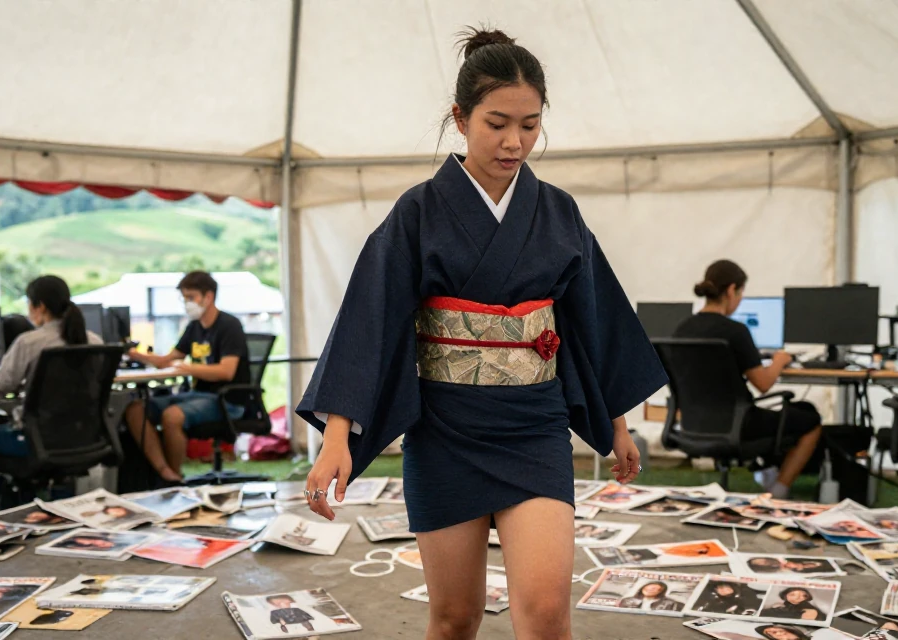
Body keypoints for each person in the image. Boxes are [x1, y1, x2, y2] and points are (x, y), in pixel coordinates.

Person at [296, 28, 665, 640]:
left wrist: (617, 425)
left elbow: (591, 321)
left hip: (534, 427)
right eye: (497, 123)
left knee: (546, 616)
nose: (515, 142)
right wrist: (338, 435)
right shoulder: (418, 211)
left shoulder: (559, 211)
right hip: (445, 430)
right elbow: (371, 318)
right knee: (454, 618)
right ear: (460, 118)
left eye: (530, 124)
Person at [673, 260, 822, 499]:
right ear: (732, 290)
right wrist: (780, 361)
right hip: (739, 425)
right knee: (811, 420)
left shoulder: (681, 329)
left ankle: (768, 470)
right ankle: (779, 491)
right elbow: (763, 384)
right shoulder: (735, 331)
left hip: (693, 424)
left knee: (802, 409)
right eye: (741, 293)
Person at [0, 275, 101, 514]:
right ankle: (56, 505)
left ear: (40, 306)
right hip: (82, 437)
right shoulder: (94, 340)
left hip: (36, 440)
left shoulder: (30, 342)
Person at [124, 271, 252, 483]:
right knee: (135, 410)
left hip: (227, 400)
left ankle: (174, 480)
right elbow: (168, 359)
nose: (186, 303)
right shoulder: (194, 327)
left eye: (190, 297)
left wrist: (188, 368)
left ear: (208, 297)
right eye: (184, 298)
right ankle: (164, 471)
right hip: (198, 395)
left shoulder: (229, 326)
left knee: (172, 416)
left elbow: (226, 371)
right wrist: (134, 354)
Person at [695, 581, 763, 615]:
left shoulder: (745, 593)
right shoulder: (715, 603)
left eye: (726, 587)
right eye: (720, 588)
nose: (724, 589)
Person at [618, 581, 684, 612]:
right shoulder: (627, 600)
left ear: (661, 591)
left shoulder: (672, 604)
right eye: (647, 588)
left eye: (654, 589)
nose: (650, 590)